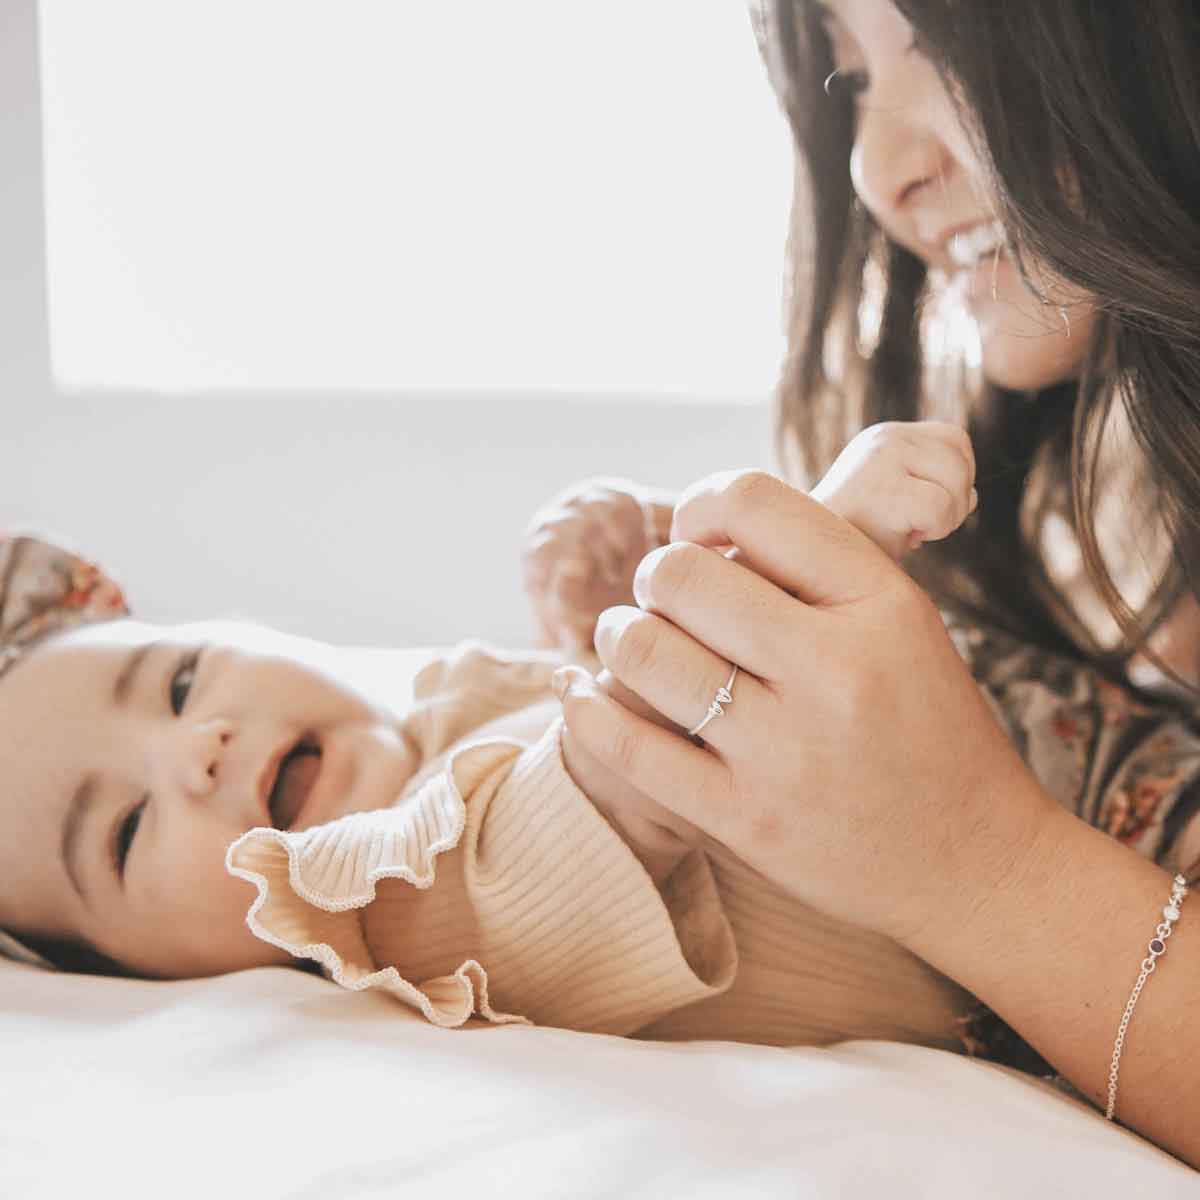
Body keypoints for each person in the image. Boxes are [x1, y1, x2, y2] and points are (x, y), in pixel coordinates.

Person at [528, 0, 1200, 1169]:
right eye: (850, 79)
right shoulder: (1110, 519)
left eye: (946, 54)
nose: (883, 173)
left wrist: (979, 862)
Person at [0, 418, 983, 1054]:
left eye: (179, 680)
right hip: (1008, 967)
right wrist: (805, 547)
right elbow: (607, 790)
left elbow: (568, 751)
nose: (193, 749)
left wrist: (610, 607)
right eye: (126, 831)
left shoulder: (435, 721)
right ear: (127, 974)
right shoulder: (381, 908)